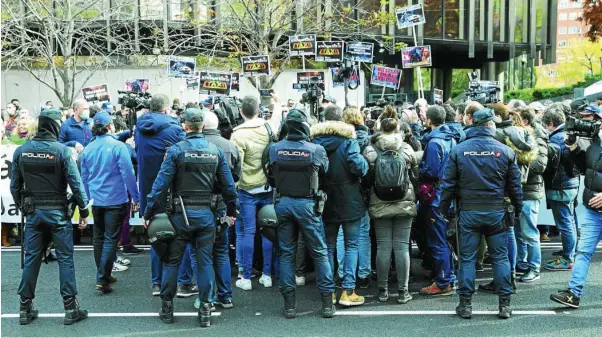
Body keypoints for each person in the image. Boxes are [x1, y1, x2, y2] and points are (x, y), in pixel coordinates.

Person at [143, 108, 238, 328]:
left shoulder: (176, 151)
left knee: (172, 261)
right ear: (202, 127)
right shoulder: (214, 151)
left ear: (185, 126)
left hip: (179, 217)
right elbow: (229, 188)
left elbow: (159, 186)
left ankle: (167, 308)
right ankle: (205, 309)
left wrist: (148, 213)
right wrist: (232, 212)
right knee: (205, 261)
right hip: (206, 216)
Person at [10, 108, 91, 325]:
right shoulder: (62, 151)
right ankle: (70, 308)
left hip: (34, 214)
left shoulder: (21, 151)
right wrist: (83, 212)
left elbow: (14, 186)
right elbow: (77, 186)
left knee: (31, 260)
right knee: (65, 260)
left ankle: (24, 309)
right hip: (58, 214)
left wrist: (23, 206)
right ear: (55, 126)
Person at [440, 108, 523, 320]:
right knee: (500, 258)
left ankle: (465, 304)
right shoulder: (505, 151)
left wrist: (443, 210)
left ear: (473, 124)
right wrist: (518, 209)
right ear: (490, 126)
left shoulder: (459, 150)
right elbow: (515, 186)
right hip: (496, 211)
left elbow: (447, 185)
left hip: (468, 212)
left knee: (467, 260)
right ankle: (505, 305)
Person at [266, 109, 335, 319]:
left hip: (283, 203)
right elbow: (325, 172)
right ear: (306, 126)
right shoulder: (316, 149)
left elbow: (270, 176)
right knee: (320, 252)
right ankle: (326, 305)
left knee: (287, 254)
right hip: (308, 205)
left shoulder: (274, 149)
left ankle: (289, 306)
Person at [311, 105, 369, 306]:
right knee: (352, 244)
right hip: (350, 198)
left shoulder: (315, 142)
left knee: (327, 246)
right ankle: (348, 291)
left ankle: (328, 292)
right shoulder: (349, 141)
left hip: (325, 199)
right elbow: (358, 167)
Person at [79, 112, 140, 294]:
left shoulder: (88, 149)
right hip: (116, 198)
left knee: (99, 237)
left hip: (96, 200)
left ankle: (103, 274)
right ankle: (102, 277)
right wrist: (136, 196)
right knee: (110, 239)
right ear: (110, 126)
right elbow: (128, 174)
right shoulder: (118, 146)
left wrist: (86, 199)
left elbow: (84, 177)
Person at [135, 93, 187, 296]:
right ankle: (183, 282)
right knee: (180, 236)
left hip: (149, 190)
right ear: (166, 109)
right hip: (173, 189)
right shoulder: (175, 129)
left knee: (155, 235)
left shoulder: (139, 128)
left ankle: (156, 282)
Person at [230, 94, 283, 291]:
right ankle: (267, 274)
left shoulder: (238, 135)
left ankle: (245, 276)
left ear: (241, 112)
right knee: (268, 230)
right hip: (268, 187)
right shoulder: (268, 127)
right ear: (259, 110)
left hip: (246, 189)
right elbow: (277, 117)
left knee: (247, 232)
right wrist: (277, 103)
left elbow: (237, 165)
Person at [550, 108, 602, 309]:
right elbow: (585, 168)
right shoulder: (596, 143)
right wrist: (573, 148)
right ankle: (573, 293)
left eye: (599, 119)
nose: (596, 123)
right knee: (583, 252)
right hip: (592, 210)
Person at [363, 117, 418, 304]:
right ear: (398, 130)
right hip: (405, 202)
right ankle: (403, 292)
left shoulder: (370, 150)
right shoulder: (407, 148)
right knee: (402, 247)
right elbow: (415, 176)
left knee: (383, 246)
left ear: (380, 129)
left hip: (379, 202)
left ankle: (383, 290)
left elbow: (367, 179)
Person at [201, 110, 241, 308]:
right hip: (222, 205)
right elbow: (235, 179)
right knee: (222, 251)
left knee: (202, 253)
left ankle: (206, 297)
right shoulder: (230, 147)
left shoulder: (192, 147)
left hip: (198, 206)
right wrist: (232, 211)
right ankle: (225, 296)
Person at [418, 105, 457, 296]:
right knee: (445, 238)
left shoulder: (434, 142)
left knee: (438, 239)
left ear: (429, 120)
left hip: (436, 196)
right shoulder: (452, 138)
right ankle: (446, 276)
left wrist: (419, 168)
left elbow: (431, 171)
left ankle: (443, 281)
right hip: (447, 194)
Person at [512, 107, 549, 283]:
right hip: (522, 191)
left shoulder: (536, 137)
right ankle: (523, 262)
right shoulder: (524, 137)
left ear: (524, 121)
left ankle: (534, 267)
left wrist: (517, 168)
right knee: (520, 231)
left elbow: (540, 165)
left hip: (529, 191)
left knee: (529, 231)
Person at [541, 108, 580, 271]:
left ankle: (567, 258)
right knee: (569, 220)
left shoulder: (555, 139)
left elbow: (550, 166)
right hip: (571, 184)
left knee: (565, 223)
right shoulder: (568, 134)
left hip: (560, 187)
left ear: (551, 123)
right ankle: (570, 252)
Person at [341, 106, 372, 288]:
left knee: (340, 236)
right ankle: (364, 273)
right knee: (363, 234)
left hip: (343, 191)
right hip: (363, 192)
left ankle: (342, 272)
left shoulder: (341, 141)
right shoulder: (368, 140)